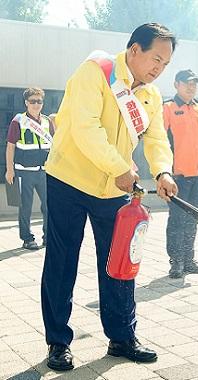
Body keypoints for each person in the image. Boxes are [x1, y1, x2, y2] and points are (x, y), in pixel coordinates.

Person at [40, 23, 178, 371]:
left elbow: (157, 139)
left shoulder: (151, 95)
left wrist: (162, 171)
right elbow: (86, 128)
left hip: (113, 189)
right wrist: (119, 167)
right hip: (68, 180)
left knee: (120, 264)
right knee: (62, 261)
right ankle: (58, 342)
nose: (159, 68)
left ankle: (122, 337)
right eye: (155, 59)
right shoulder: (95, 72)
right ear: (134, 50)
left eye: (165, 63)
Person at [163, 69, 198, 279]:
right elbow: (160, 140)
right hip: (178, 174)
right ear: (177, 84)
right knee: (177, 218)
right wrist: (164, 172)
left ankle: (189, 259)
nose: (191, 87)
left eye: (194, 83)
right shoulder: (167, 107)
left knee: (193, 219)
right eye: (187, 83)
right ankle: (176, 261)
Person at [5, 88, 55, 250]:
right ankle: (27, 239)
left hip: (44, 172)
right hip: (24, 172)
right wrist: (9, 169)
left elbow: (54, 147)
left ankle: (48, 236)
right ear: (26, 102)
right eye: (32, 101)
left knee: (49, 206)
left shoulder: (47, 122)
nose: (36, 104)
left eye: (39, 101)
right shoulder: (18, 121)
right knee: (25, 207)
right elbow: (10, 146)